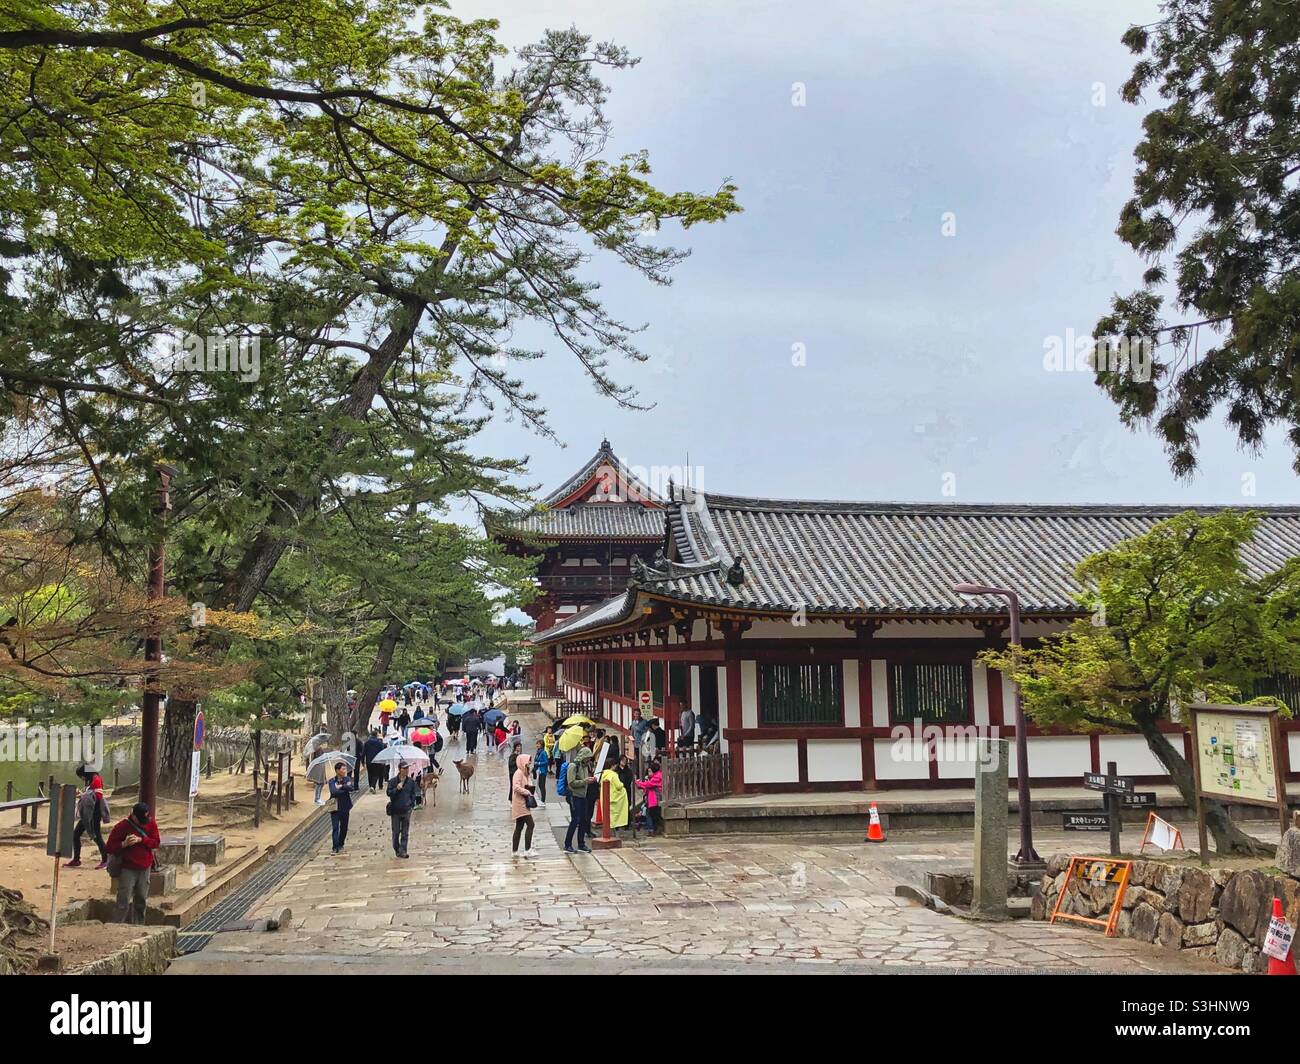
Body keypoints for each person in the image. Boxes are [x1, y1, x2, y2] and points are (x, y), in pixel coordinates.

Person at [105, 802, 160, 924]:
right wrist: (123, 844)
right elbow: (109, 847)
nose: (142, 823)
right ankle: (117, 925)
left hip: (145, 867)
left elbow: (156, 842)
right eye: (140, 820)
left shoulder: (150, 823)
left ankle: (139, 925)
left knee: (141, 899)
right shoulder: (122, 827)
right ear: (134, 817)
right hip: (128, 868)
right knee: (123, 900)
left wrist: (142, 840)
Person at [67, 775, 110, 868]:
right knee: (76, 834)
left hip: (94, 813)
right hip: (86, 814)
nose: (81, 778)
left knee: (97, 837)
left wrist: (83, 795)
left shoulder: (96, 780)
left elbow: (97, 796)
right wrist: (81, 794)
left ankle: (106, 860)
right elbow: (89, 795)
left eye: (81, 775)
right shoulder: (89, 781)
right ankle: (76, 859)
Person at [564, 745, 594, 853]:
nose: (589, 760)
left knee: (583, 819)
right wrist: (585, 781)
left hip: (583, 796)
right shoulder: (573, 766)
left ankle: (581, 843)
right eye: (588, 757)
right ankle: (567, 844)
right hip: (574, 795)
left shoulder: (585, 766)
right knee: (575, 819)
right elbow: (571, 782)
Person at [386, 762, 418, 858]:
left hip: (406, 810)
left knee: (405, 832)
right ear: (400, 769)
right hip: (395, 811)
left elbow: (414, 794)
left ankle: (403, 850)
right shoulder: (392, 781)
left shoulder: (411, 782)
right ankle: (397, 848)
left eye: (407, 768)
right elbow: (388, 793)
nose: (406, 770)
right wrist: (396, 789)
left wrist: (411, 804)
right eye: (404, 768)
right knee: (396, 832)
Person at [510, 754, 537, 859]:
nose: (529, 763)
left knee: (519, 826)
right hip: (520, 803)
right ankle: (527, 850)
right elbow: (516, 787)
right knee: (531, 824)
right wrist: (526, 792)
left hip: (523, 802)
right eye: (528, 761)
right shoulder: (518, 773)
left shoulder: (525, 773)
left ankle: (515, 851)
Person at [328, 761, 356, 853]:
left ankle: (341, 843)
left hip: (345, 806)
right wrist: (344, 789)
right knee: (335, 827)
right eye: (343, 769)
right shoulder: (332, 781)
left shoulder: (347, 779)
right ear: (337, 770)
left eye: (345, 769)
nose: (344, 771)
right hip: (335, 807)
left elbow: (351, 788)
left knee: (344, 827)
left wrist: (341, 786)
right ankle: (335, 846)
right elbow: (333, 792)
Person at [599, 755, 629, 834]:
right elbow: (619, 786)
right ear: (612, 765)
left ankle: (608, 832)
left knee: (608, 817)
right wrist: (623, 784)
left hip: (606, 797)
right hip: (615, 797)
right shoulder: (613, 775)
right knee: (615, 816)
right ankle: (613, 834)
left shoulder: (604, 774)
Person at [636, 760, 665, 835]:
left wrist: (639, 783)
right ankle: (654, 829)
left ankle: (655, 829)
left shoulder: (657, 777)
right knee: (653, 814)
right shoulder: (658, 775)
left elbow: (648, 784)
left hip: (655, 799)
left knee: (654, 815)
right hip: (653, 798)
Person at [533, 739, 550, 804]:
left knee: (542, 785)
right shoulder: (538, 752)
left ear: (542, 745)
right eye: (537, 744)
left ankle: (543, 800)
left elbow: (546, 762)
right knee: (539, 785)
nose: (537, 745)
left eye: (538, 744)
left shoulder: (543, 752)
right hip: (538, 771)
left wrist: (539, 763)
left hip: (543, 771)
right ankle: (541, 799)